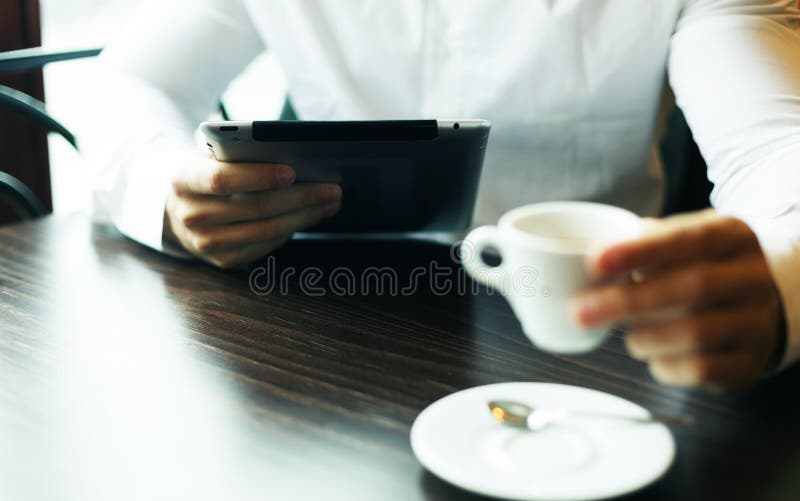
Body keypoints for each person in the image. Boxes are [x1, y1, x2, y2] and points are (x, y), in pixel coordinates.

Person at [79, 0, 800, 391]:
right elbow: (128, 82)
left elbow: (777, 145)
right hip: (321, 333)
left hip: (595, 346)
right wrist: (167, 192)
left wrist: (781, 277)